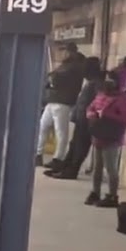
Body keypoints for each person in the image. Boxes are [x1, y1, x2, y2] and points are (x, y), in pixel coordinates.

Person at [84, 69, 126, 208]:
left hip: (112, 137)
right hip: (99, 134)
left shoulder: (123, 99)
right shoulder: (101, 94)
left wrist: (107, 115)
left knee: (111, 168)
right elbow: (91, 107)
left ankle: (112, 196)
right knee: (97, 167)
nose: (108, 82)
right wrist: (92, 114)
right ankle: (95, 192)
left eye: (111, 80)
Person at [49, 56, 102, 179]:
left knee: (80, 147)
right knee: (74, 144)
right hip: (81, 117)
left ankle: (72, 170)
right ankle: (65, 167)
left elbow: (96, 103)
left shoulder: (97, 84)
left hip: (87, 120)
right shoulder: (90, 82)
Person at [37, 41, 86, 171]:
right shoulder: (66, 65)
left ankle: (58, 159)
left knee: (61, 132)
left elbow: (56, 78)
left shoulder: (75, 66)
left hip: (63, 102)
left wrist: (52, 78)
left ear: (70, 51)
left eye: (64, 50)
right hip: (53, 100)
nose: (62, 53)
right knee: (43, 126)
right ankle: (38, 154)